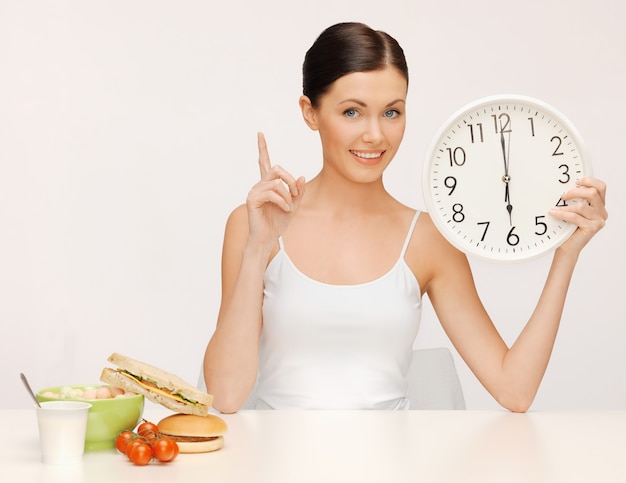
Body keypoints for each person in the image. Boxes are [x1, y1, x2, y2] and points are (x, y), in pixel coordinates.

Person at [203, 22, 608, 413]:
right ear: (310, 112)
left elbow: (514, 389)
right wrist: (258, 249)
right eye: (351, 112)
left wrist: (565, 252)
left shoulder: (429, 239)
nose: (376, 135)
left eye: (392, 113)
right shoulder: (252, 224)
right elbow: (226, 396)